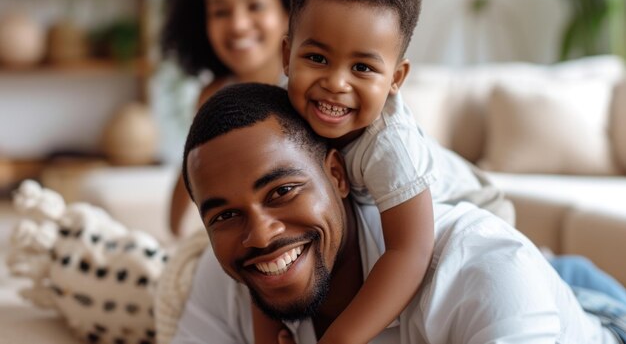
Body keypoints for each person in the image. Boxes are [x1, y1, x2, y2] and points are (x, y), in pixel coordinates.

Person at [173, 82, 626, 343]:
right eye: (224, 216)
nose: (260, 234)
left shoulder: (481, 270)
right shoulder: (236, 275)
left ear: (337, 174)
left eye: (282, 191)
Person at [273, 0, 496, 344]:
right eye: (318, 58)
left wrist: (339, 339)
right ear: (287, 55)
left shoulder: (388, 145)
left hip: (478, 207)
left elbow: (409, 252)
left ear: (396, 79)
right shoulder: (279, 111)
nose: (336, 83)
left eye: (362, 67)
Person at [160, 0, 303, 236]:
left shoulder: (308, 87)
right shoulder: (211, 95)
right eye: (220, 12)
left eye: (255, 6)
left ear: (287, 12)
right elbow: (190, 176)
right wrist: (173, 242)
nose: (237, 24)